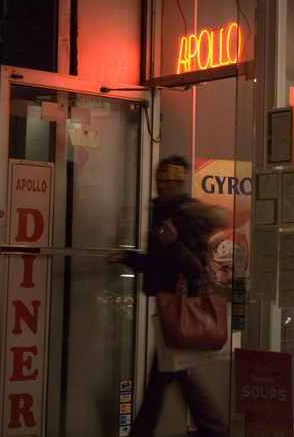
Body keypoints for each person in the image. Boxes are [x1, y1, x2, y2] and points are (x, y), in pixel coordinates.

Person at [115, 155, 229, 437]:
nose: (162, 185)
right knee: (169, 377)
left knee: (166, 379)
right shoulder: (161, 212)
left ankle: (214, 431)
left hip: (178, 308)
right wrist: (128, 258)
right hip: (167, 304)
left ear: (179, 183)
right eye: (159, 180)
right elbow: (158, 262)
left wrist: (173, 241)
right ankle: (214, 431)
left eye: (168, 180)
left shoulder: (187, 215)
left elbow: (194, 266)